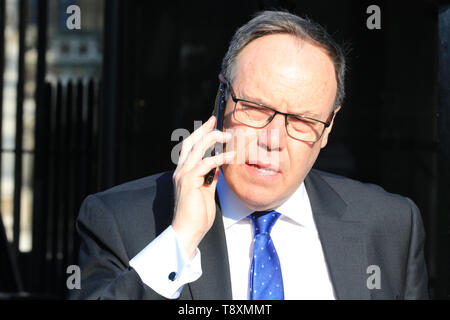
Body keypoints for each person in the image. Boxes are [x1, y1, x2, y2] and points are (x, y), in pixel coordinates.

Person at [70, 10, 429, 300]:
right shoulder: (119, 221)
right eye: (256, 108)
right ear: (221, 97)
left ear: (329, 127)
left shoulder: (391, 225)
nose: (273, 140)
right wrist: (179, 240)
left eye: (303, 120)